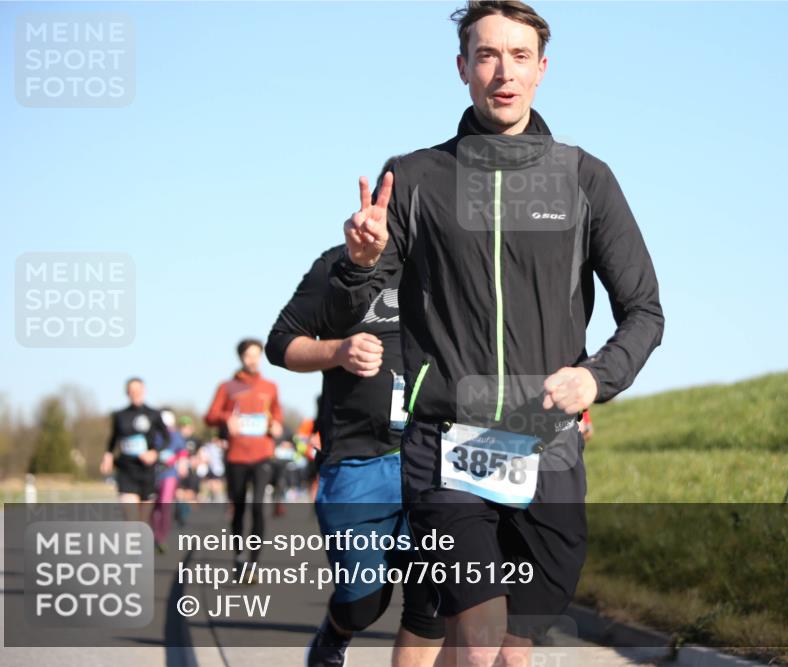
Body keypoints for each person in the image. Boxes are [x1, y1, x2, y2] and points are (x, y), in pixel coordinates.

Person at [323, 2, 665, 664]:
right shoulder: (416, 178)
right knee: (476, 638)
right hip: (447, 441)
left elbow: (645, 309)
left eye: (517, 56)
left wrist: (596, 375)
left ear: (541, 69)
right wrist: (358, 263)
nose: (501, 71)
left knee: (514, 644)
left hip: (548, 448)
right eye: (485, 55)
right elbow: (353, 305)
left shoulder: (584, 178)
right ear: (462, 68)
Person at [267, 237, 445, 667]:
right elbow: (280, 342)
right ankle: (337, 630)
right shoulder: (337, 267)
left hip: (439, 456)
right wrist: (337, 350)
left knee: (432, 598)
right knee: (364, 602)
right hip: (359, 459)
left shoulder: (454, 260)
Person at [205, 338, 284, 567]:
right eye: (248, 355)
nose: (253, 360)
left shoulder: (270, 387)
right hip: (237, 455)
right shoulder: (227, 387)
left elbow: (277, 415)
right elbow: (210, 415)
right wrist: (226, 418)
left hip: (262, 454)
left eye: (256, 355)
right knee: (238, 507)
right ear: (240, 357)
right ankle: (239, 554)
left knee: (258, 507)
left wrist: (276, 425)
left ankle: (254, 561)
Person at [101, 378, 168, 521]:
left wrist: (155, 452)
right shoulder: (120, 415)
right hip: (126, 470)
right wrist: (108, 455)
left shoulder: (154, 414)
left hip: (147, 472)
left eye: (138, 390)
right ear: (127, 393)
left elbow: (167, 438)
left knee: (143, 522)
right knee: (131, 519)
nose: (135, 394)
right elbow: (113, 439)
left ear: (144, 391)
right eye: (132, 391)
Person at [151, 409, 189, 552]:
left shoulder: (176, 436)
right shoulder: (154, 435)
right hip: (153, 475)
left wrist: (182, 466)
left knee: (164, 505)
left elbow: (182, 452)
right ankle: (154, 534)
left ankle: (161, 537)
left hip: (170, 475)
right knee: (154, 507)